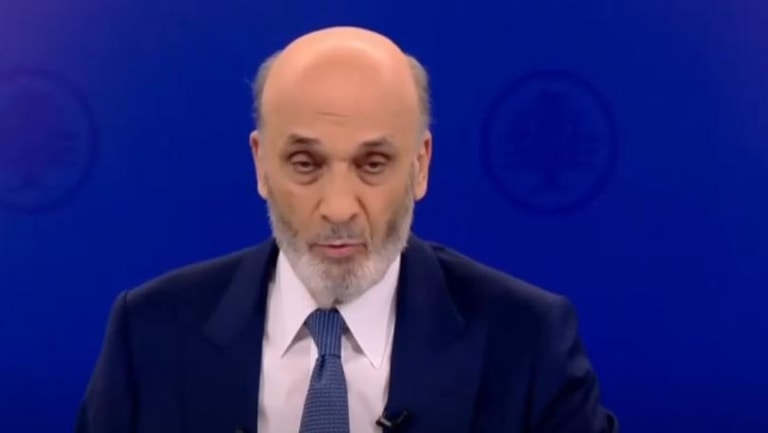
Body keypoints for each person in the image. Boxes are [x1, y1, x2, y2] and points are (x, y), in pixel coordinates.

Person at [75, 26, 618, 433]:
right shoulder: (150, 333)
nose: (338, 208)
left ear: (421, 166)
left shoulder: (527, 342)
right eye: (306, 164)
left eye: (372, 164)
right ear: (261, 165)